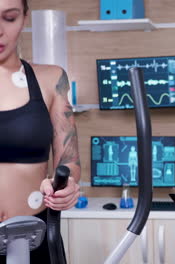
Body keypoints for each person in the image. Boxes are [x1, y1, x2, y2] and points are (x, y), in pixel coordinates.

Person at [0, 0, 81, 262]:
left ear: (24, 18)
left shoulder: (51, 79)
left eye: (9, 18)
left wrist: (65, 186)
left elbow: (68, 159)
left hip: (32, 237)